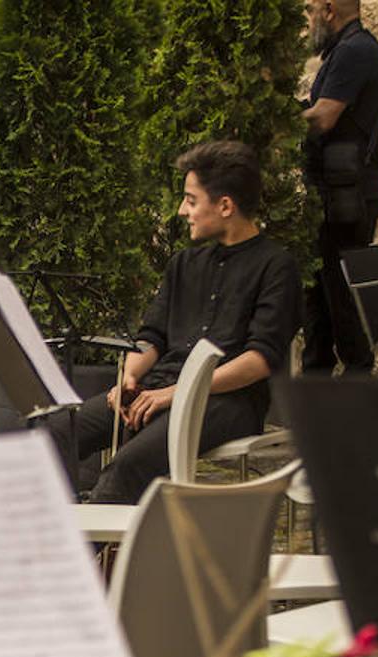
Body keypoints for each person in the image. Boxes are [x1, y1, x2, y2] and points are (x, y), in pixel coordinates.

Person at [48, 141, 301, 504]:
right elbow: (152, 338)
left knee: (128, 465)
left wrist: (180, 392)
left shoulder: (276, 266)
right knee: (54, 433)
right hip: (157, 389)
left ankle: (86, 558)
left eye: (191, 200)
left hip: (226, 402)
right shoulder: (183, 264)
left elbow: (261, 359)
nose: (183, 211)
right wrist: (130, 377)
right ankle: (52, 535)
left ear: (225, 205)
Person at [301, 0, 378, 375]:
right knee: (319, 304)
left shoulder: (355, 50)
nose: (308, 18)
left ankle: (356, 400)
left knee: (341, 304)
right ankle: (315, 400)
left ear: (329, 7)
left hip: (347, 198)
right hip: (335, 194)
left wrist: (276, 122)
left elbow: (323, 117)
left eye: (309, 9)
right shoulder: (344, 50)